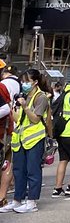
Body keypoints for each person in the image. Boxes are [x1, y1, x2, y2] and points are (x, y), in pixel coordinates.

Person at [7, 66, 52, 213]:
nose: (24, 84)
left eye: (27, 81)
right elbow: (18, 119)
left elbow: (35, 119)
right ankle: (17, 200)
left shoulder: (41, 97)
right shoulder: (24, 96)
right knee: (19, 170)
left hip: (35, 139)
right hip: (20, 139)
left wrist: (25, 107)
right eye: (23, 81)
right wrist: (12, 107)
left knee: (33, 170)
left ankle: (32, 201)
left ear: (35, 82)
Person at [0, 62, 21, 212]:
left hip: (3, 131)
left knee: (5, 162)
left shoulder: (3, 86)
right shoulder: (18, 84)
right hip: (11, 127)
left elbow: (5, 108)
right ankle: (2, 197)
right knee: (7, 162)